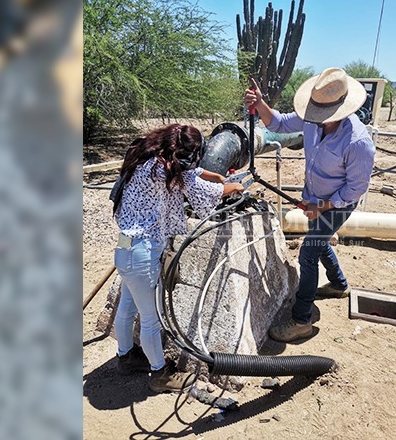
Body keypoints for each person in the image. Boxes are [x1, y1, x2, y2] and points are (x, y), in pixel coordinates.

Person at [243, 68, 375, 342]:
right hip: (315, 199)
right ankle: (339, 285)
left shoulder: (358, 142)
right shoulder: (312, 119)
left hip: (338, 205)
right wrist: (260, 105)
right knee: (319, 241)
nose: (317, 118)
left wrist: (323, 206)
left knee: (308, 252)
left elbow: (355, 189)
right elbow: (277, 124)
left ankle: (301, 320)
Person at [111, 124, 244, 392]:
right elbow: (202, 192)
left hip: (125, 249)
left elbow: (188, 172)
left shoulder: (146, 158)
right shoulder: (168, 171)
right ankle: (160, 375)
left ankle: (125, 357)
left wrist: (213, 175)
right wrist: (232, 186)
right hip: (143, 254)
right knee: (150, 319)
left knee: (127, 306)